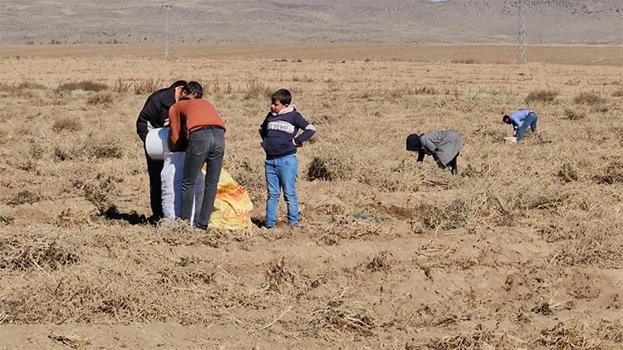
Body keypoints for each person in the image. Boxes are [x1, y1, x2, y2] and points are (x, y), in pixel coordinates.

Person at [168, 81, 226, 230]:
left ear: (183, 93)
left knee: (189, 182)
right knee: (211, 184)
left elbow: (174, 138)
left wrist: (175, 147)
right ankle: (203, 224)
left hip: (200, 136)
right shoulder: (206, 103)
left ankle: (184, 224)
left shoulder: (176, 106)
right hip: (220, 136)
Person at [259, 88, 316, 228]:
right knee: (272, 195)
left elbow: (311, 129)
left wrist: (296, 141)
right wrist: (266, 143)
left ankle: (293, 224)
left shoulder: (294, 116)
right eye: (272, 103)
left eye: (276, 104)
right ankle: (269, 225)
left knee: (289, 194)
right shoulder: (270, 116)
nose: (273, 106)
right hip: (270, 161)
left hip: (287, 161)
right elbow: (262, 129)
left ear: (285, 105)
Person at [136, 80, 187, 222]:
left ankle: (179, 213)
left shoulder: (188, 101)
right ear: (181, 91)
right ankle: (158, 215)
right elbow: (142, 121)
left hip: (178, 146)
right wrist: (150, 141)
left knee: (179, 178)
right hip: (156, 145)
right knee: (157, 179)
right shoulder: (158, 99)